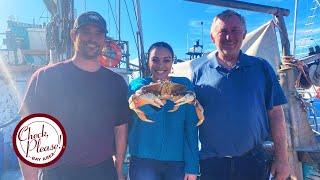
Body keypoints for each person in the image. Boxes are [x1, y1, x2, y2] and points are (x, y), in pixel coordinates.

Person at [18, 11, 130, 180]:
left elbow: (120, 130)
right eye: (86, 31)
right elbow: (27, 136)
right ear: (73, 35)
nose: (92, 38)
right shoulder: (45, 77)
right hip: (58, 172)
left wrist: (119, 170)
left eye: (98, 33)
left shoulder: (116, 83)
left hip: (103, 172)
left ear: (104, 40)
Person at [191, 10, 290, 180]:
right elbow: (190, 121)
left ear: (244, 34)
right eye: (223, 31)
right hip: (211, 166)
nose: (229, 37)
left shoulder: (261, 68)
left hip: (254, 163)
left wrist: (282, 159)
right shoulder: (199, 73)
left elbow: (276, 115)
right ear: (213, 37)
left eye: (235, 30)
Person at [128, 42, 199, 180]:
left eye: (166, 60)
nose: (161, 65)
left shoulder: (183, 86)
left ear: (173, 62)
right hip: (143, 161)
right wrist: (150, 97)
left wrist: (192, 166)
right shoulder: (138, 85)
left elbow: (191, 127)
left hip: (176, 162)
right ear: (147, 61)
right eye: (155, 60)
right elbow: (138, 100)